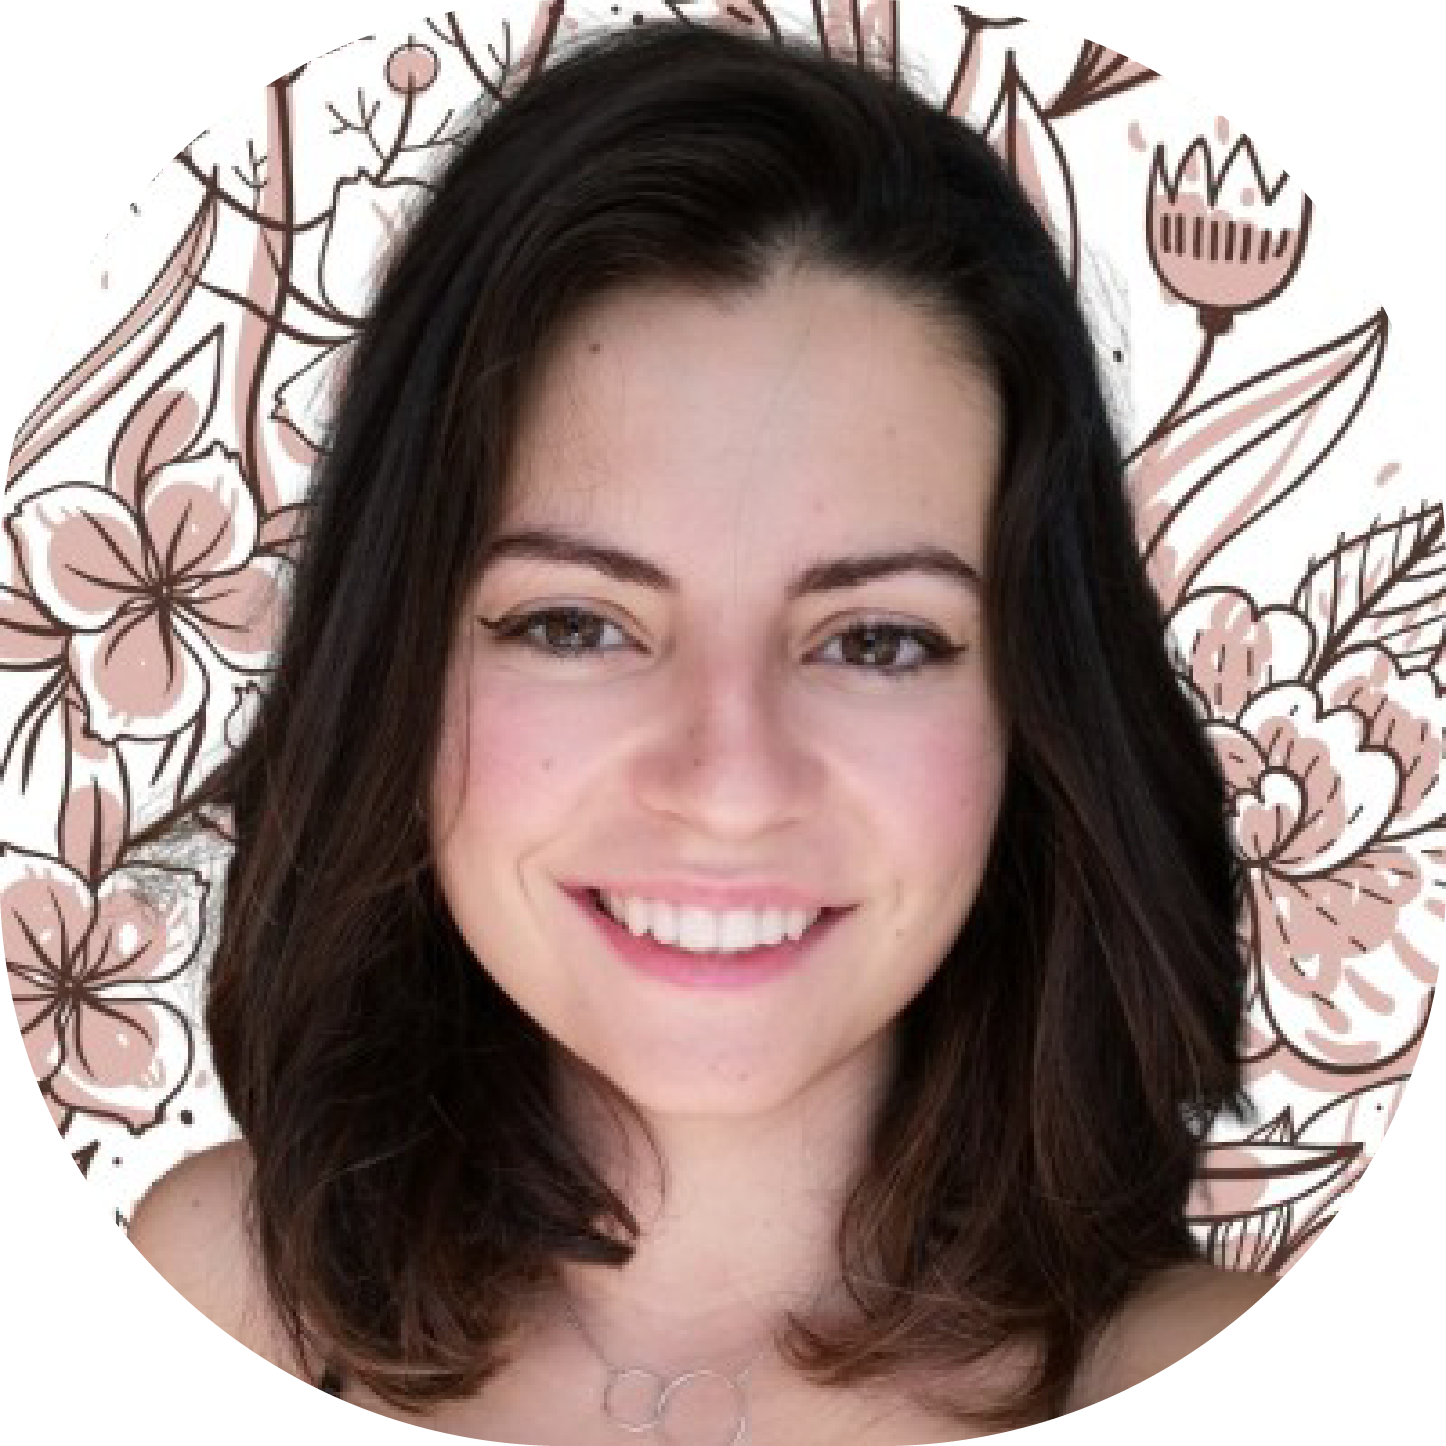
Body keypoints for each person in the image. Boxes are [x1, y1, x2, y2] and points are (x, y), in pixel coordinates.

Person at [125, 20, 1275, 1444]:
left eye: (875, 640)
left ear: (1034, 714)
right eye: (575, 624)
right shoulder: (218, 1303)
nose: (729, 785)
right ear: (395, 670)